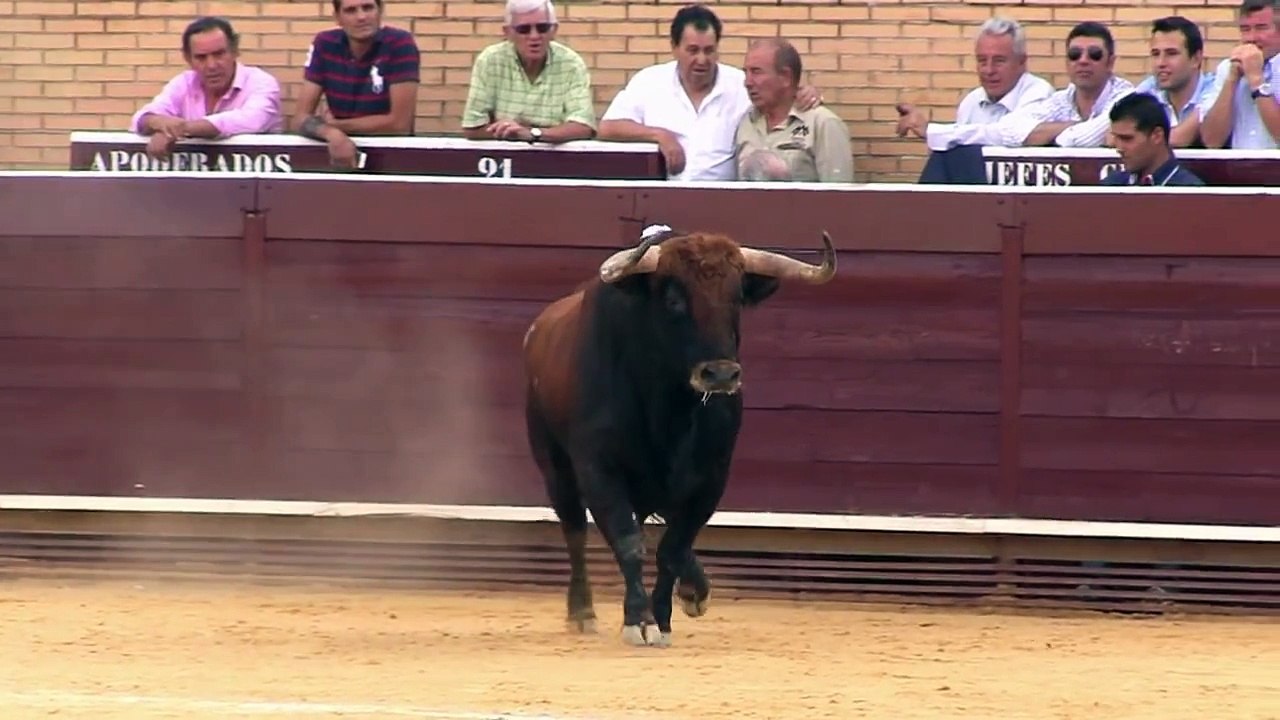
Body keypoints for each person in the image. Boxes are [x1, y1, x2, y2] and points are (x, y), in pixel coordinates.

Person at [130, 16, 283, 160]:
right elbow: (142, 117)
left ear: (235, 51)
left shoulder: (261, 82)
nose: (211, 65)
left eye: (219, 54)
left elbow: (251, 121)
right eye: (201, 57)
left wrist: (181, 129)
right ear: (188, 59)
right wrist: (158, 123)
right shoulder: (184, 83)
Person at [292, 0, 421, 168]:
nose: (361, 17)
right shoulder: (324, 43)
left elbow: (399, 124)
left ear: (380, 11)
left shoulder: (400, 43)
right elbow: (300, 118)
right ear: (338, 18)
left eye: (368, 8)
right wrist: (332, 134)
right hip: (338, 152)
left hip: (391, 156)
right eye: (350, 10)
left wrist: (337, 126)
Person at [461, 0, 596, 144]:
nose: (534, 36)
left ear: (554, 30)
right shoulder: (490, 61)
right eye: (524, 29)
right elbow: (472, 127)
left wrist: (531, 134)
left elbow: (584, 126)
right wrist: (511, 132)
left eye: (542, 28)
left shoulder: (571, 63)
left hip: (557, 159)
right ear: (508, 32)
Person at [735, 38, 854, 182]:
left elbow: (839, 197)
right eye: (746, 72)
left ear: (786, 77)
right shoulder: (746, 122)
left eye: (756, 72)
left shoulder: (822, 124)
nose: (747, 82)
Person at [1101, 92, 1204, 186]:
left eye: (1127, 138)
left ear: (1157, 135)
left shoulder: (1189, 191)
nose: (1119, 148)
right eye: (1116, 138)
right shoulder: (1111, 185)